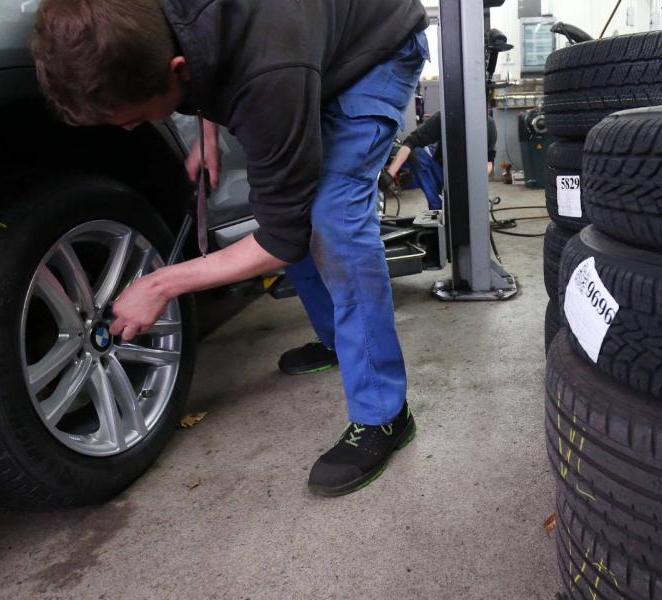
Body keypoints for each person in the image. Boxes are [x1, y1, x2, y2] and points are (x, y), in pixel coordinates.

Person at [30, 0, 428, 497]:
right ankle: (337, 338)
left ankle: (386, 417)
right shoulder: (160, 21)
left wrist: (161, 284)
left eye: (133, 118)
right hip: (297, 44)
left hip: (376, 46)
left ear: (176, 72)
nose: (129, 129)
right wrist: (207, 130)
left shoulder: (269, 72)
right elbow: (205, 47)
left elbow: (283, 241)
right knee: (287, 202)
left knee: (331, 219)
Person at [385, 111, 497, 210]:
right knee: (415, 153)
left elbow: (489, 160)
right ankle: (436, 208)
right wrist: (389, 174)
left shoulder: (488, 125)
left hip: (469, 180)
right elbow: (409, 143)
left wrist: (478, 184)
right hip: (443, 174)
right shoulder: (443, 118)